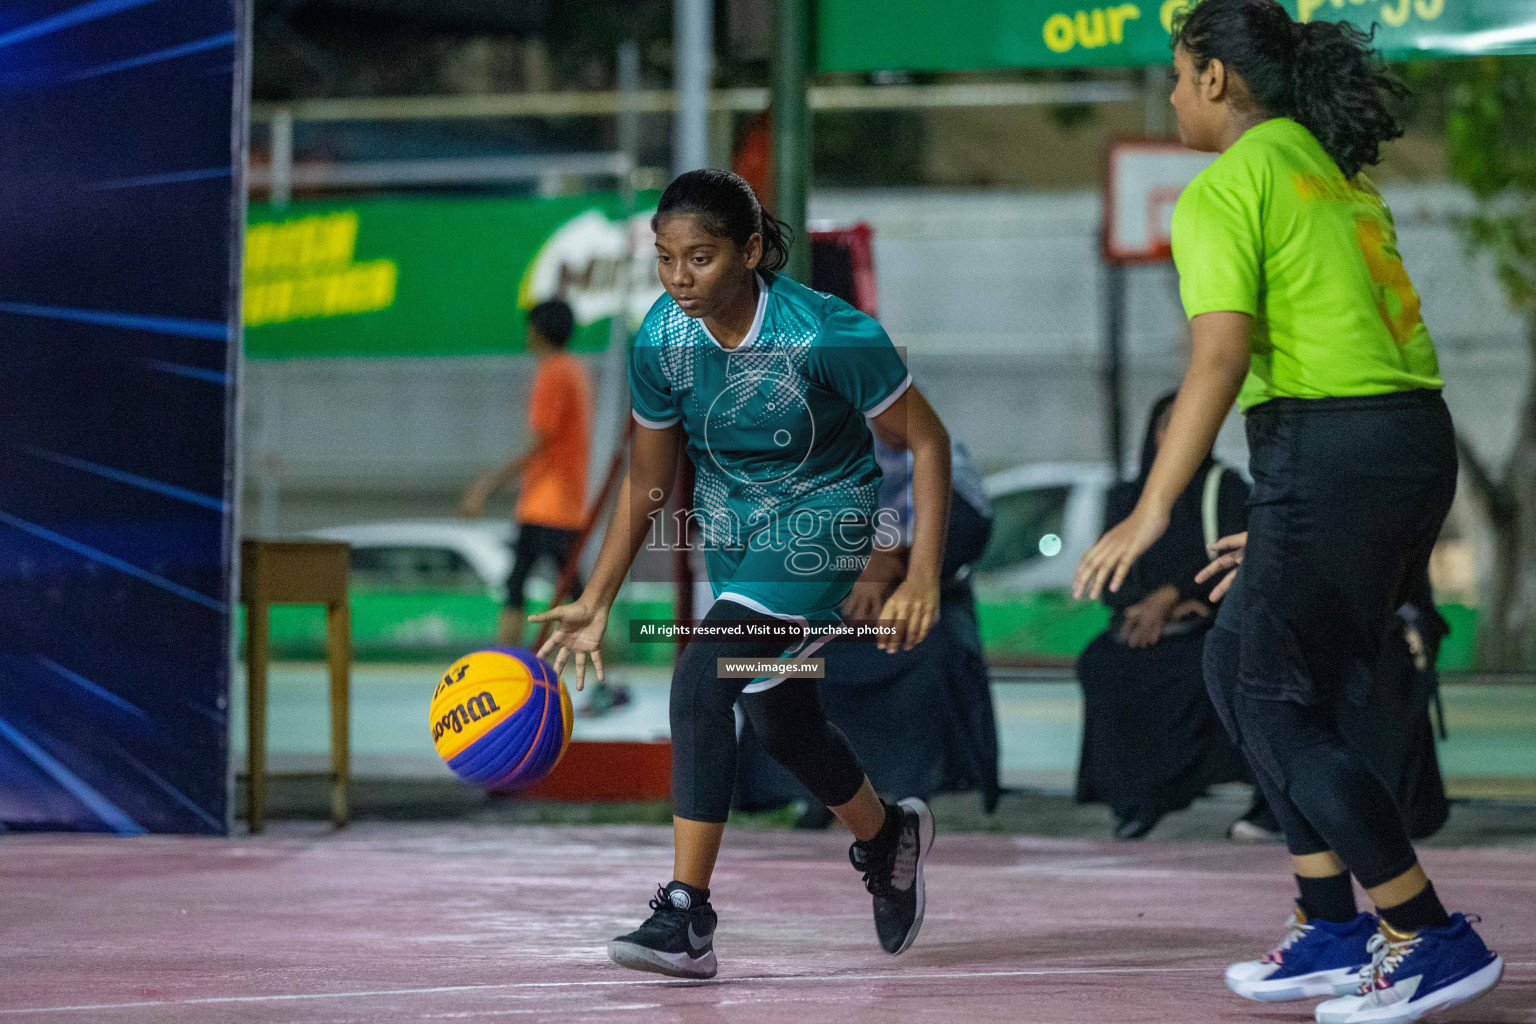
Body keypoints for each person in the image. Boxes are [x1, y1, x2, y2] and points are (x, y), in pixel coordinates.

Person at [1073, 3, 1502, 1021]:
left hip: (1333, 440)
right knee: (1239, 664)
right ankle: (1333, 921)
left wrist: (1152, 510)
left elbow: (1218, 355)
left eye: (1179, 76)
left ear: (1217, 79)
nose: (1173, 94)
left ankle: (1426, 930)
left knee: (1265, 688)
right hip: (1398, 440)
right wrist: (1286, 509)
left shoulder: (1230, 185)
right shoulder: (1327, 172)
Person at [531, 169, 952, 979]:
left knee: (700, 679)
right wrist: (596, 596)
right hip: (737, 540)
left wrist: (920, 572)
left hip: (825, 531)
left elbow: (925, 441)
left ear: (752, 250)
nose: (680, 278)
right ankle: (886, 837)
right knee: (780, 722)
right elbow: (649, 478)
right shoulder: (662, 338)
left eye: (702, 257)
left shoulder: (825, 332)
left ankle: (686, 916)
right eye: (665, 259)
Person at [734, 433, 1000, 825]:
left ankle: (914, 794)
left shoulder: (936, 447)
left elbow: (967, 527)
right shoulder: (812, 440)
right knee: (773, 663)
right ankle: (821, 792)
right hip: (827, 609)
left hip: (916, 606)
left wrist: (895, 557)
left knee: (933, 654)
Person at [1075, 392, 1261, 840]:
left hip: (1207, 621)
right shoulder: (1127, 497)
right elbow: (1110, 569)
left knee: (1206, 667)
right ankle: (1134, 798)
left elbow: (1243, 559)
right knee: (1103, 662)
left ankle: (1257, 797)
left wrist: (1176, 595)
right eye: (1167, 425)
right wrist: (1143, 606)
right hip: (1145, 624)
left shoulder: (1228, 488)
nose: (1177, 434)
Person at [460, 299, 592, 649]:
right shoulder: (573, 370)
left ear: (537, 330)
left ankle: (508, 664)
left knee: (521, 587)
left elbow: (539, 441)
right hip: (564, 502)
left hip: (545, 503)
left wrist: (486, 485)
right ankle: (605, 677)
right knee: (569, 590)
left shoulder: (552, 372)